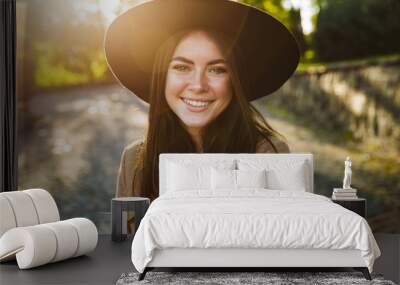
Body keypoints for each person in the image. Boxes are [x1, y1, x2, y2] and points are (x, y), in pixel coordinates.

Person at [104, 0, 300, 201]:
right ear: (162, 77)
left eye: (216, 70)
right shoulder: (135, 160)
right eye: (182, 67)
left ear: (234, 81)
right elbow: (128, 231)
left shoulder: (269, 156)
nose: (198, 85)